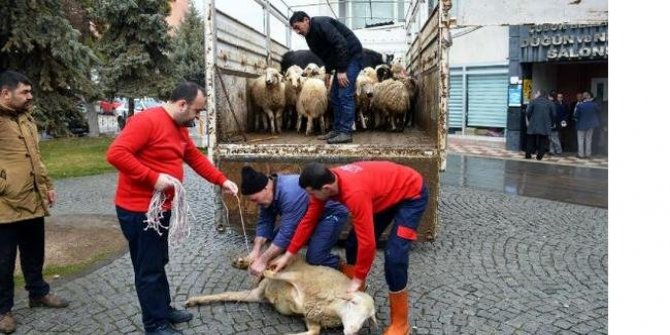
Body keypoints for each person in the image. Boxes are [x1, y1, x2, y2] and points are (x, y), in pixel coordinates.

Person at [106, 82, 238, 335]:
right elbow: (116, 154)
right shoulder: (146, 122)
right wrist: (153, 178)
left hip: (159, 210)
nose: (197, 117)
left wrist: (222, 180)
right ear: (181, 104)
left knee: (158, 262)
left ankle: (163, 310)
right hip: (140, 212)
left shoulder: (179, 127)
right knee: (148, 269)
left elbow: (195, 158)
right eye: (196, 111)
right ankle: (154, 325)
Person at [270, 161, 428, 335]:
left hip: (411, 194)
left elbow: (368, 243)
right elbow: (308, 221)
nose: (310, 197)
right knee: (352, 243)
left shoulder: (355, 193)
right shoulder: (324, 184)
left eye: (311, 193)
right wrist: (288, 255)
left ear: (327, 189)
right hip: (383, 195)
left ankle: (400, 323)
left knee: (394, 256)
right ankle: (355, 294)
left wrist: (358, 278)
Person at [0, 70, 69, 335]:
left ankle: (38, 293)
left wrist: (47, 185)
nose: (30, 96)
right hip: (4, 205)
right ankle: (3, 310)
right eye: (24, 92)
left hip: (32, 198)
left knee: (34, 252)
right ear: (6, 93)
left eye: (30, 92)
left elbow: (36, 157)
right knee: (3, 261)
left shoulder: (26, 119)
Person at [238, 166, 349, 277]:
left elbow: (287, 234)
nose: (255, 203)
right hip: (307, 217)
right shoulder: (267, 193)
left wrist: (262, 260)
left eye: (255, 199)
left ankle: (345, 269)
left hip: (331, 214)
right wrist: (256, 251)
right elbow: (264, 221)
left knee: (315, 257)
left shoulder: (289, 193)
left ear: (265, 188)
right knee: (273, 240)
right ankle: (282, 269)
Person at [289, 11, 363, 144]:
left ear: (306, 20)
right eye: (294, 29)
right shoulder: (310, 37)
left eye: (297, 27)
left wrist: (341, 70)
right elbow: (327, 54)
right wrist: (328, 72)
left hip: (352, 56)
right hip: (341, 59)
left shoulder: (321, 24)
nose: (297, 31)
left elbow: (340, 43)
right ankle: (337, 130)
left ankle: (345, 132)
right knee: (334, 95)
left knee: (344, 93)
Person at [524, 89, 556, 161]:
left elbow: (528, 112)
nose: (536, 94)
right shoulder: (550, 103)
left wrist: (530, 120)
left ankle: (528, 155)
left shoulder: (533, 101)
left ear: (540, 94)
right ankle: (539, 157)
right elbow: (554, 115)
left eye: (537, 93)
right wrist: (551, 123)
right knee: (543, 141)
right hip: (545, 125)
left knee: (530, 140)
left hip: (533, 124)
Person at [573, 91, 600, 159]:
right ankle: (588, 154)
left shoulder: (580, 105)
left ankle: (581, 155)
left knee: (580, 140)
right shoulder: (594, 104)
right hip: (591, 125)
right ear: (589, 97)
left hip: (581, 125)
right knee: (589, 140)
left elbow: (576, 116)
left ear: (583, 98)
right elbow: (598, 111)